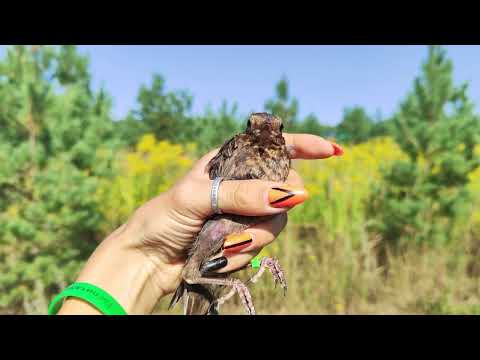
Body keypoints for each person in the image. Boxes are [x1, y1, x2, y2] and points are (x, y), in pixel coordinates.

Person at [57, 133, 343, 315]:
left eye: (275, 131)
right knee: (204, 269)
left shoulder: (280, 160)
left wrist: (257, 264)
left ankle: (245, 273)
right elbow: (194, 270)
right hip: (196, 265)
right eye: (253, 128)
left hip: (208, 260)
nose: (264, 135)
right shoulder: (238, 149)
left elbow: (223, 252)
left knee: (233, 254)